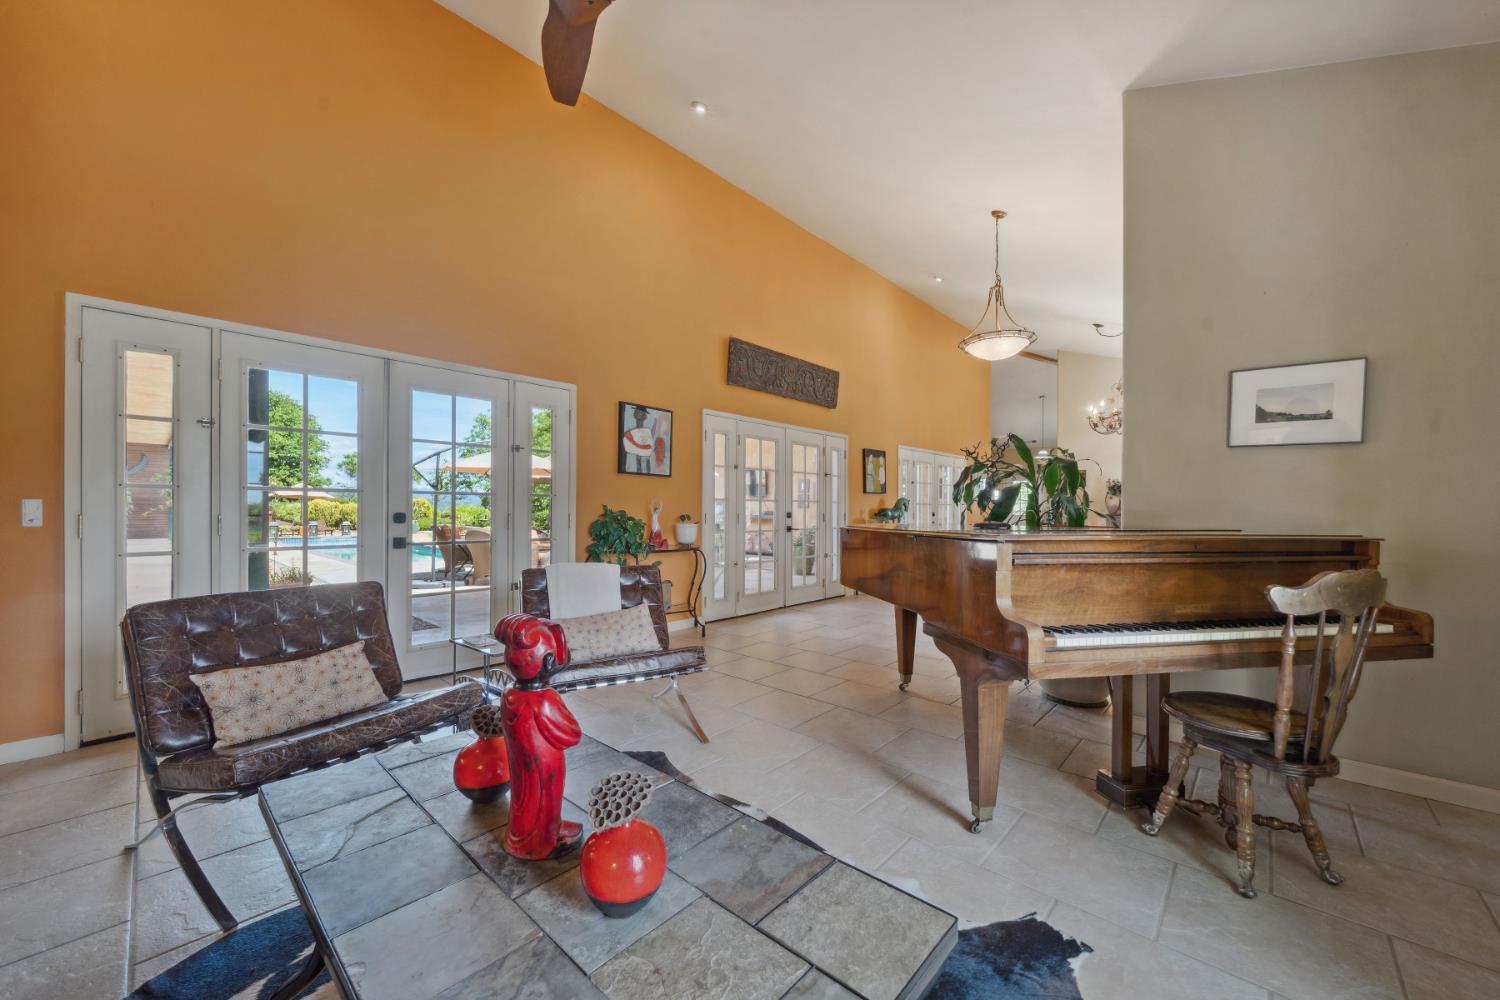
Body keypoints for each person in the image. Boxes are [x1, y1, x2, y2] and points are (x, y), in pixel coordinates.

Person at [494, 613, 583, 860]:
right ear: (546, 661)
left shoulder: (509, 694)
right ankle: (543, 839)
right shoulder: (545, 700)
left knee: (525, 800)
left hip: (522, 763)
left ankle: (525, 835)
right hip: (546, 765)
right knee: (544, 798)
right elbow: (571, 735)